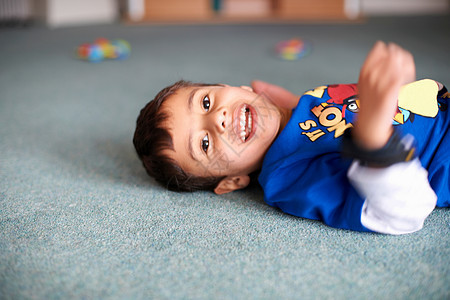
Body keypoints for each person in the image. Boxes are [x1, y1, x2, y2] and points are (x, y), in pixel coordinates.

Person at [133, 41, 449, 234]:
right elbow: (403, 213)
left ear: (240, 88)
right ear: (232, 181)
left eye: (205, 102)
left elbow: (325, 124)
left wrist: (290, 107)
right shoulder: (285, 178)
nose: (218, 118)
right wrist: (374, 136)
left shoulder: (300, 107)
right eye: (203, 143)